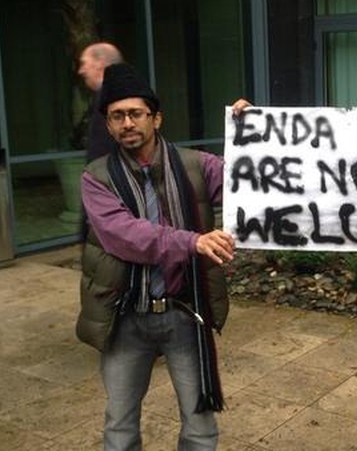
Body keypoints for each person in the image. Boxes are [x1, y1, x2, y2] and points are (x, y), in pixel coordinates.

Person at [76, 62, 248, 450]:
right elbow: (123, 236)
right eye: (116, 116)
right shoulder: (96, 176)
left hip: (185, 313)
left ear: (156, 118)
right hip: (125, 318)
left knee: (200, 427)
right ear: (108, 125)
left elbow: (253, 182)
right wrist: (192, 242)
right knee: (119, 427)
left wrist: (253, 135)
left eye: (135, 113)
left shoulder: (197, 166)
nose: (127, 123)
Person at [78, 42, 124, 162]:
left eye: (84, 64)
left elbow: (102, 148)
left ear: (100, 63)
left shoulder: (111, 97)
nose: (81, 71)